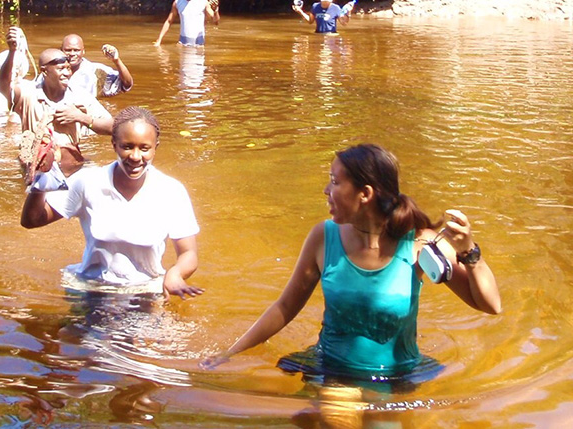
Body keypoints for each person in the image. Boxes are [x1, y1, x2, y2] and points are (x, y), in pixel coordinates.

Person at [202, 144, 501, 381]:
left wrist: (469, 252)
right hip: (332, 370)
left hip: (396, 375)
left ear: (365, 194)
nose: (325, 191)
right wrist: (231, 352)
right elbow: (285, 307)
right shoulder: (324, 236)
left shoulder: (420, 243)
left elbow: (490, 305)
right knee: (335, 418)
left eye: (334, 182)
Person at [19, 106, 204, 300]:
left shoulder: (171, 191)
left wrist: (175, 274)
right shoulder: (88, 181)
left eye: (144, 148)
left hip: (145, 291)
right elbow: (32, 220)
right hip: (92, 289)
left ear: (155, 147)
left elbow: (188, 254)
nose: (135, 156)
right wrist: (43, 176)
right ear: (114, 144)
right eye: (127, 146)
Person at [0, 27, 113, 188]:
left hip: (71, 166)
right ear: (45, 72)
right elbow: (4, 86)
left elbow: (114, 127)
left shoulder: (79, 95)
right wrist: (12, 52)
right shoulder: (29, 94)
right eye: (61, 69)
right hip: (38, 167)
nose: (67, 73)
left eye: (68, 68)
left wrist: (81, 117)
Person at [153, 0, 220, 47]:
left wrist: (215, 11)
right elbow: (169, 21)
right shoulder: (178, 1)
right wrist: (159, 40)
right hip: (182, 43)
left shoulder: (203, 1)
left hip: (198, 45)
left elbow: (215, 22)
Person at [61, 34, 134, 98]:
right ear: (61, 51)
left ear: (83, 51)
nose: (72, 54)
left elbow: (126, 84)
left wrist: (117, 61)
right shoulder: (53, 70)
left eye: (76, 50)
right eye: (68, 50)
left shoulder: (96, 71)